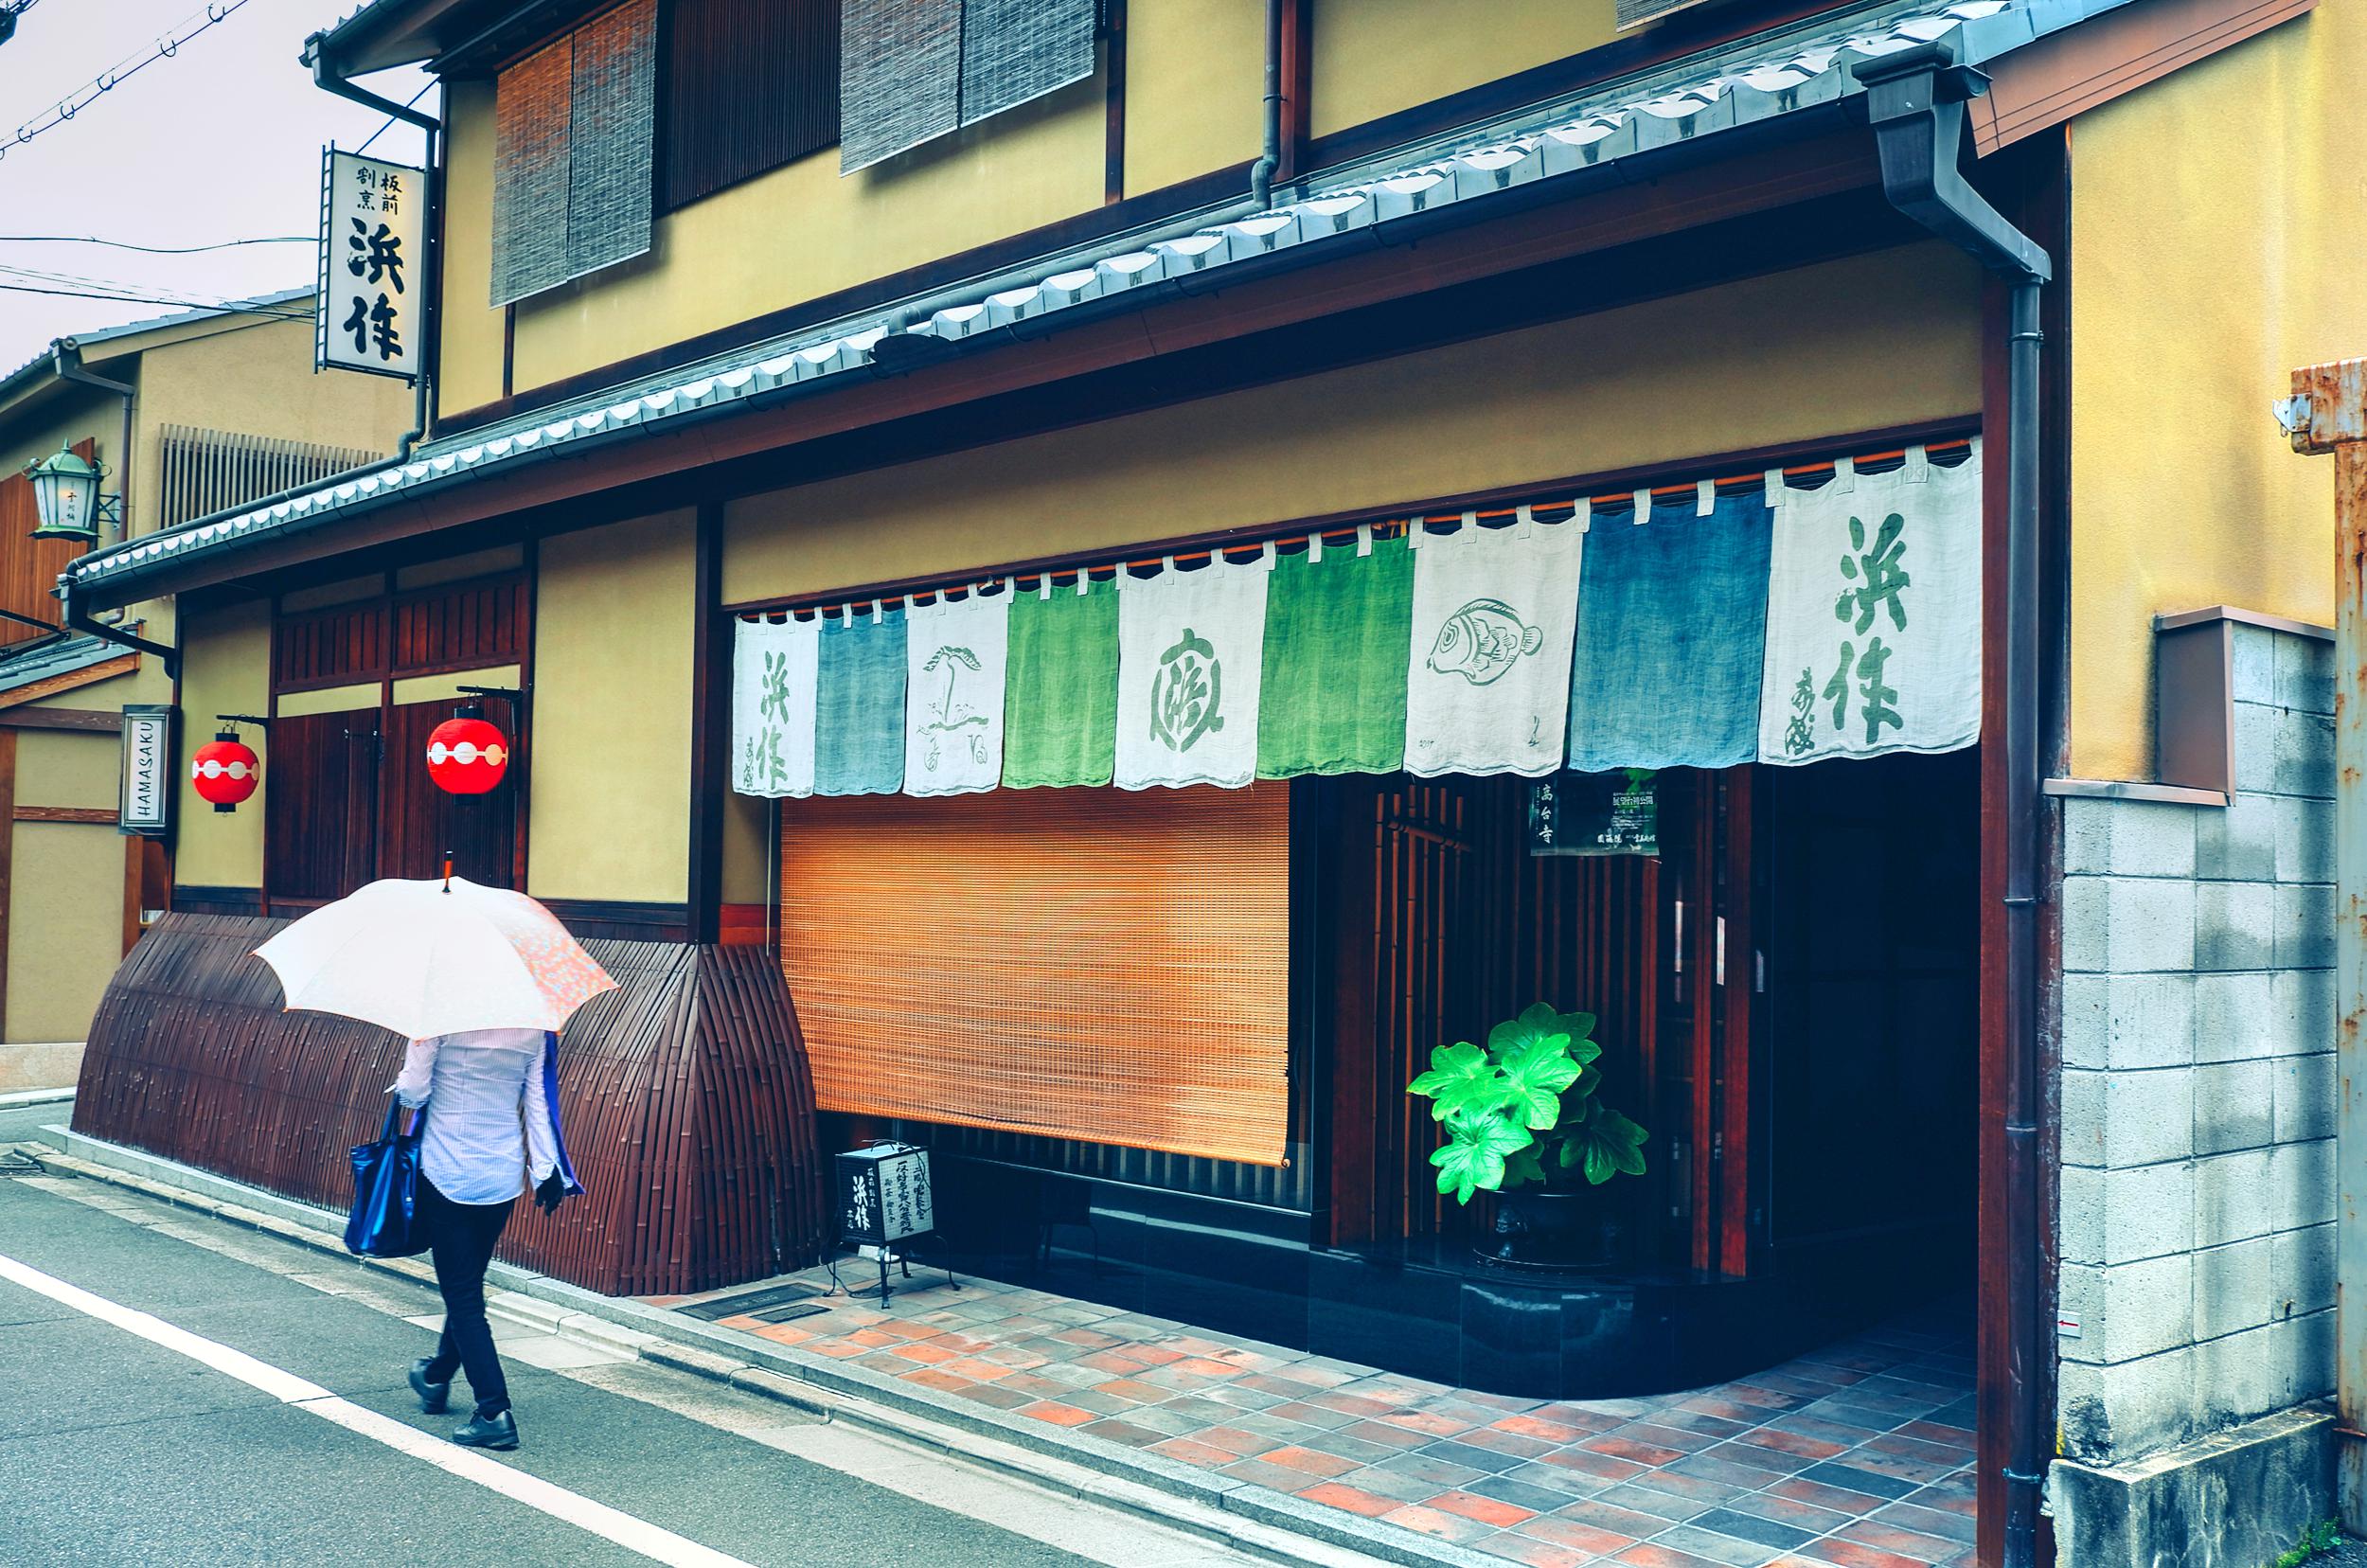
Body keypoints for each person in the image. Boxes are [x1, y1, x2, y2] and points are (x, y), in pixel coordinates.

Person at [391, 1026, 580, 1451]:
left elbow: (415, 1094)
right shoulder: (533, 1025)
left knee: (463, 1300)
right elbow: (537, 1103)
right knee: (467, 1288)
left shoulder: (438, 1019)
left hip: (448, 1172)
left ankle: (493, 1411)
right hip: (501, 1176)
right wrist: (547, 1169)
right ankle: (436, 1376)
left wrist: (415, 1055)